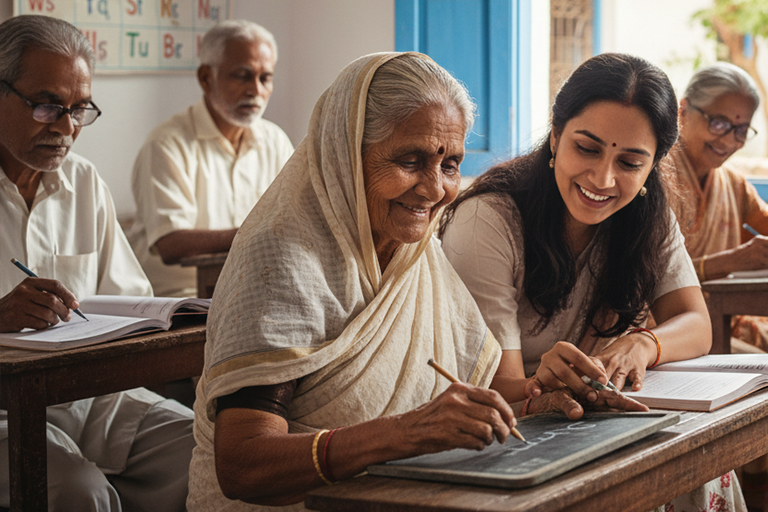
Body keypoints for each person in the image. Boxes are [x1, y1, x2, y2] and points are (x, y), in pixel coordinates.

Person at [186, 52, 524, 511]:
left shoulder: (415, 254)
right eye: (410, 159)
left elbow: (481, 395)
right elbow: (243, 465)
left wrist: (548, 395)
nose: (434, 188)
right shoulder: (284, 256)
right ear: (344, 155)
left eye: (449, 165)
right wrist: (405, 433)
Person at [440, 53, 745, 511]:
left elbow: (694, 323)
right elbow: (495, 389)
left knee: (698, 459)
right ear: (556, 134)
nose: (602, 178)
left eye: (630, 162)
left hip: (591, 418)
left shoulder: (648, 214)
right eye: (587, 148)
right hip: (506, 430)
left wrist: (643, 344)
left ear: (654, 164)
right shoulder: (490, 218)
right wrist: (544, 386)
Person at [0, 15, 194, 511]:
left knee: (211, 453)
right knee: (75, 491)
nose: (67, 128)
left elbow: (129, 304)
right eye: (47, 106)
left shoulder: (83, 182)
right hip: (5, 414)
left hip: (94, 404)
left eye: (80, 108)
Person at [129, 19, 294, 297]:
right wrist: (256, 233)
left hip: (250, 293)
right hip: (180, 303)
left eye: (265, 78)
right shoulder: (166, 144)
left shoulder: (274, 140)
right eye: (242, 75)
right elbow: (170, 243)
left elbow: (296, 217)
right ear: (206, 78)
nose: (255, 90)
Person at [670, 62, 768, 352]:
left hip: (727, 323)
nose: (728, 140)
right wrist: (729, 262)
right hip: (668, 331)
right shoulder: (652, 179)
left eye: (740, 130)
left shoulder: (734, 186)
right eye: (719, 123)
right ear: (683, 110)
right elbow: (644, 282)